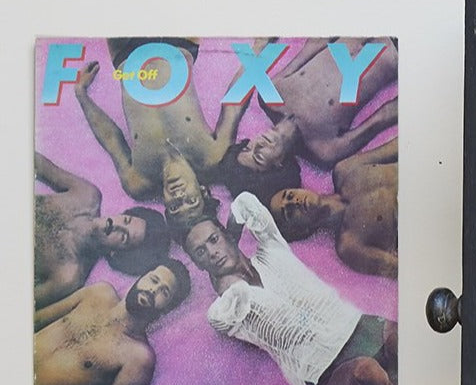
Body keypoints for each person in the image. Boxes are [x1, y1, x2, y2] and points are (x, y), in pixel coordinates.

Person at [183, 192, 397, 385]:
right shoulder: (225, 308)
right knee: (367, 372)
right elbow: (218, 319)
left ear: (226, 234)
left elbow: (245, 202)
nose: (212, 252)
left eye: (214, 240)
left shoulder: (271, 247)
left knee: (399, 339)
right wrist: (228, 284)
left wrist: (232, 232)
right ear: (198, 265)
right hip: (327, 367)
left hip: (360, 325)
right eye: (200, 252)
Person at [212, 37, 397, 200]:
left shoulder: (268, 98)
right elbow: (383, 117)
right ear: (278, 167)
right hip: (395, 51)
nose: (257, 143)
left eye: (247, 147)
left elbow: (312, 46)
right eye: (258, 156)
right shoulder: (323, 150)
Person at [73, 38, 251, 201]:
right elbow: (233, 106)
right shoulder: (213, 157)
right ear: (203, 191)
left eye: (174, 207)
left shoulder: (138, 181)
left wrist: (81, 94)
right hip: (178, 43)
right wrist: (257, 50)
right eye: (190, 201)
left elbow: (112, 140)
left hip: (126, 55)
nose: (178, 196)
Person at [33, 259, 191, 385]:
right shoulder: (98, 293)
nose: (153, 290)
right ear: (141, 277)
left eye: (164, 292)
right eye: (153, 280)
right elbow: (38, 319)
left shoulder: (138, 358)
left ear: (166, 309)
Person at [34, 151, 170, 308]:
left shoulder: (68, 276)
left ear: (116, 254)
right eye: (126, 220)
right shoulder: (86, 195)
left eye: (123, 237)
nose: (116, 225)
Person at [268, 138, 398, 278]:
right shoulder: (349, 246)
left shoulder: (345, 170)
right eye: (289, 212)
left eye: (290, 195)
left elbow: (394, 148)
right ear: (300, 230)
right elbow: (398, 269)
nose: (294, 202)